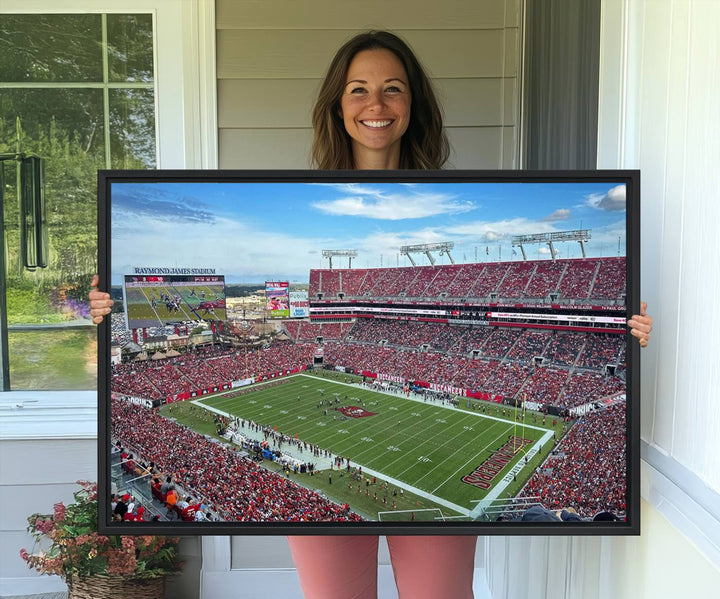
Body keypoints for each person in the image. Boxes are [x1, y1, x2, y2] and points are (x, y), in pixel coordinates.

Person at [89, 29, 653, 599]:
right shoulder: (305, 197)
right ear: (337, 104)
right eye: (358, 89)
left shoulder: (455, 197)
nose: (376, 105)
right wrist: (105, 312)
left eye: (393, 89)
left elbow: (617, 323)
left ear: (414, 104)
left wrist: (628, 330)